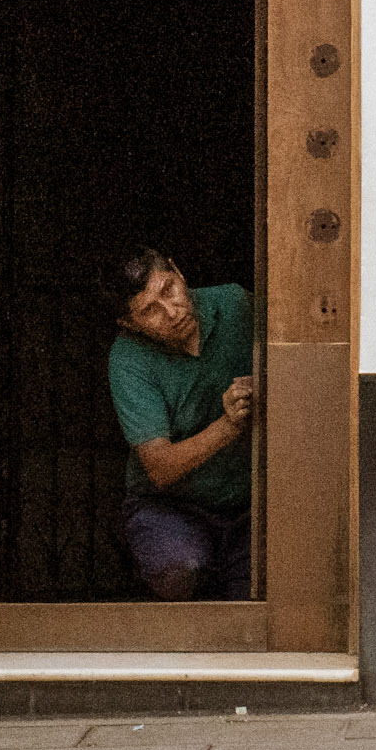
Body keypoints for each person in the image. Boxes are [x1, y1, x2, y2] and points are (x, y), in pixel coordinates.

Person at [106, 247, 255, 602]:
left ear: (178, 271)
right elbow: (160, 468)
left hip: (250, 503)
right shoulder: (127, 359)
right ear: (129, 324)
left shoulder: (236, 304)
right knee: (182, 568)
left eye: (168, 289)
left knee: (254, 599)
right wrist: (228, 426)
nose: (172, 312)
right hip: (169, 507)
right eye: (150, 310)